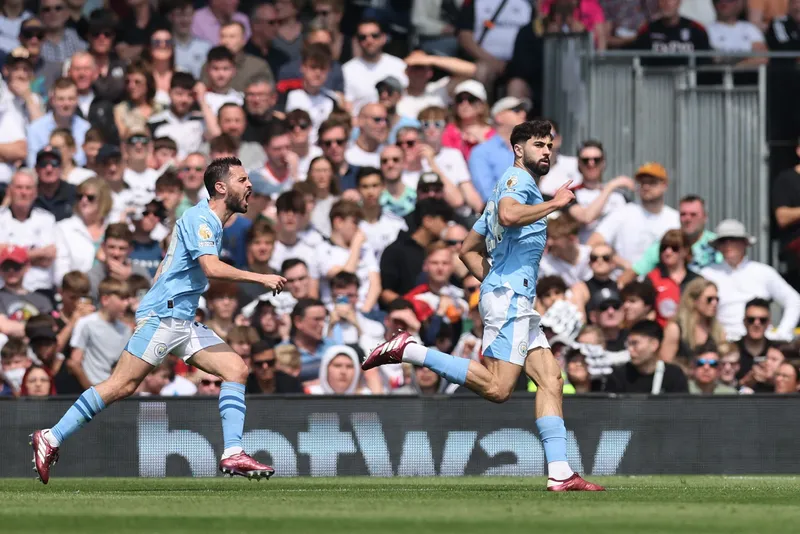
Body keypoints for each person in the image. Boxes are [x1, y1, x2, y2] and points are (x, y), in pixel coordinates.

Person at [363, 120, 603, 491]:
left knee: (551, 379)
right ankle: (411, 350)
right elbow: (508, 215)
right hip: (511, 298)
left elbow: (467, 250)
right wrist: (555, 204)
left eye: (550, 146)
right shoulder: (516, 182)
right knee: (498, 389)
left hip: (513, 298)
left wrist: (493, 281)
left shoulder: (512, 191)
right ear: (518, 149)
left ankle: (560, 472)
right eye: (539, 144)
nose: (546, 151)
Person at [30, 157, 287, 485]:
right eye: (242, 179)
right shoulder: (201, 219)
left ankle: (233, 451)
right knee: (121, 385)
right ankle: (51, 437)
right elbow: (211, 267)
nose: (249, 184)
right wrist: (260, 278)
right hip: (163, 315)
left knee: (236, 369)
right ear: (221, 187)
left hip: (182, 320)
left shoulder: (211, 221)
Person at [700, 219, 800, 341]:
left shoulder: (763, 272)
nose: (728, 245)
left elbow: (794, 300)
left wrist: (782, 333)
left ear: (744, 243)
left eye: (733, 240)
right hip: (724, 344)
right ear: (718, 246)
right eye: (723, 241)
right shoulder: (707, 274)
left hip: (761, 343)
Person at [603, 319, 689, 393]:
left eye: (635, 343)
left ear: (654, 345)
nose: (630, 349)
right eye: (628, 344)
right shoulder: (619, 376)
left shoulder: (674, 376)